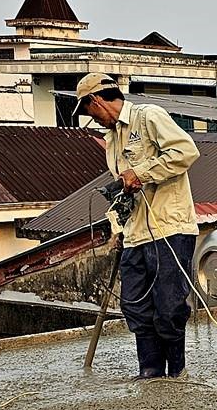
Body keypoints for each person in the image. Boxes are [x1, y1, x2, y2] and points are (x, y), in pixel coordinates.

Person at [75, 72, 201, 380]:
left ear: (95, 101)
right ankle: (150, 373)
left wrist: (142, 172)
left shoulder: (148, 117)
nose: (92, 119)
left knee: (168, 308)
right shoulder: (111, 139)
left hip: (169, 228)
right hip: (134, 235)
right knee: (136, 308)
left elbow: (186, 152)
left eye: (88, 112)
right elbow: (124, 188)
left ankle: (177, 374)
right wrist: (118, 228)